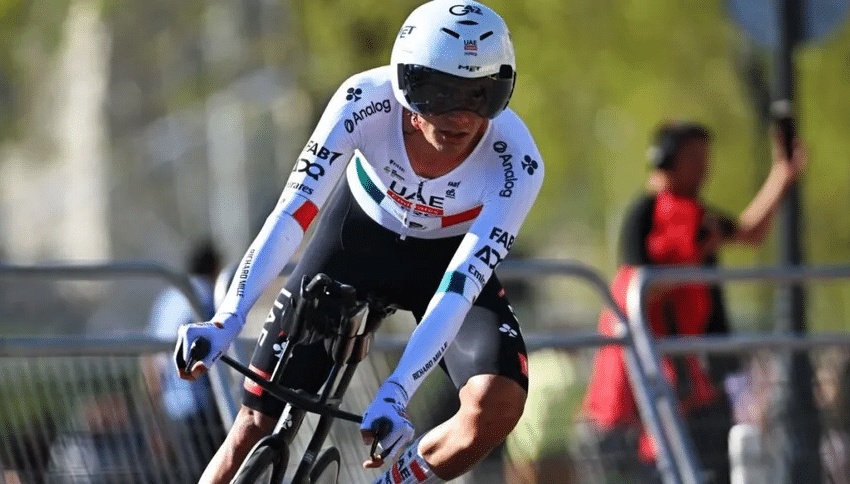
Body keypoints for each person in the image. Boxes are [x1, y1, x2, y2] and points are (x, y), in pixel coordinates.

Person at [172, 1, 545, 483]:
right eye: (440, 93)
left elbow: (459, 287)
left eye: (482, 95)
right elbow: (293, 213)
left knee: (497, 403)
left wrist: (397, 392)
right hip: (354, 244)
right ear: (406, 85)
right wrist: (227, 318)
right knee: (251, 425)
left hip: (444, 261)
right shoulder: (363, 100)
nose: (460, 116)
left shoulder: (517, 161)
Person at [580, 120, 807, 484]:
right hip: (665, 378)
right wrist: (691, 254)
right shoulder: (647, 214)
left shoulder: (696, 213)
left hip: (702, 378)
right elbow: (636, 291)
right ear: (666, 159)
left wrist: (783, 174)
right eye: (694, 158)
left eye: (705, 158)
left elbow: (750, 231)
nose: (704, 168)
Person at [145, 240, 225, 481]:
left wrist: (155, 411)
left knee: (189, 473)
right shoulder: (206, 294)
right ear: (213, 267)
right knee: (215, 471)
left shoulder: (169, 296)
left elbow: (150, 357)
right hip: (201, 401)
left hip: (173, 402)